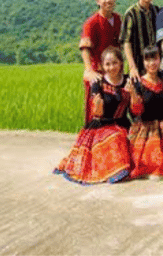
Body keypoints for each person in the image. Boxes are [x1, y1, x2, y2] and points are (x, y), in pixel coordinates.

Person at [55, 46, 132, 184]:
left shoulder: (128, 80)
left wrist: (132, 94)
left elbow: (135, 110)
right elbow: (98, 112)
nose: (111, 67)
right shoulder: (98, 82)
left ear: (121, 63)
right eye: (107, 64)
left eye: (114, 63)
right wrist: (97, 103)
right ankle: (115, 171)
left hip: (123, 123)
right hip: (102, 126)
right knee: (116, 139)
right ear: (102, 66)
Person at [126, 45, 163, 179]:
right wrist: (133, 94)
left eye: (154, 59)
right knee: (151, 148)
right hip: (144, 126)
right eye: (147, 60)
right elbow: (136, 111)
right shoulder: (138, 83)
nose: (151, 63)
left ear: (160, 60)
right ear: (143, 62)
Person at [79, 0, 121, 123]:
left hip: (115, 71)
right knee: (96, 109)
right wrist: (89, 70)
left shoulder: (118, 20)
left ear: (115, 0)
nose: (108, 0)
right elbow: (85, 47)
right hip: (98, 71)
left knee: (116, 108)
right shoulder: (91, 23)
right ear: (98, 1)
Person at [121, 0, 159, 81]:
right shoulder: (131, 13)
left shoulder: (157, 11)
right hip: (138, 67)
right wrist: (132, 67)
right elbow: (126, 42)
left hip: (156, 67)